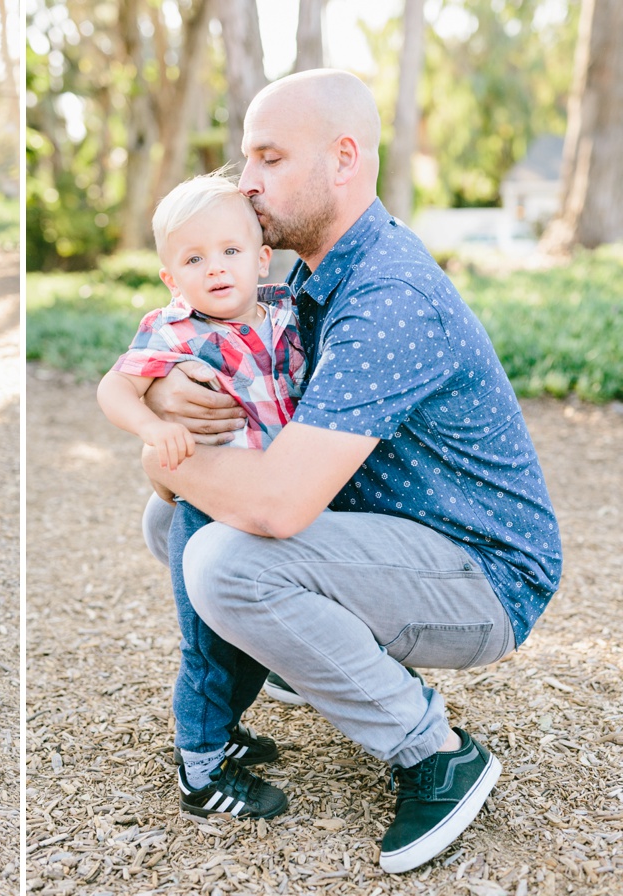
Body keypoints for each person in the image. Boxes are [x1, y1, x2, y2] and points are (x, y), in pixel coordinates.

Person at [140, 69, 561, 874]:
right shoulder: (315, 273)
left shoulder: (388, 295)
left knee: (224, 561)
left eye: (269, 158)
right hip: (401, 537)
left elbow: (278, 506)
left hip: (485, 577)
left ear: (343, 159)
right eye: (246, 158)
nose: (246, 181)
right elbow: (203, 345)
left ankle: (435, 753)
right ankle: (307, 656)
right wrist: (163, 393)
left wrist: (156, 445)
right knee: (170, 522)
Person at [97, 173, 305, 819]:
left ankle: (225, 731)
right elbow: (114, 389)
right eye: (193, 259)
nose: (215, 268)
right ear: (170, 278)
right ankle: (200, 770)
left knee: (251, 639)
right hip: (208, 509)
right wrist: (152, 426)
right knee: (209, 647)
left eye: (230, 251)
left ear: (262, 259)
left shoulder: (285, 314)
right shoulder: (173, 331)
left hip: (271, 500)